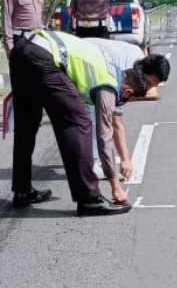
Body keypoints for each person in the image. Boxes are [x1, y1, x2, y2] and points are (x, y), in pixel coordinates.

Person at [9, 28, 166, 215]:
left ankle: (22, 190)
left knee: (27, 125)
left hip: (23, 48)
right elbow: (104, 137)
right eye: (127, 100)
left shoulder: (115, 68)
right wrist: (115, 185)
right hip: (43, 55)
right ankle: (89, 199)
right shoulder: (108, 85)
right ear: (128, 92)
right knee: (79, 123)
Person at [84, 38, 171, 181]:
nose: (146, 89)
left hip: (86, 57)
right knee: (94, 114)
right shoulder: (126, 72)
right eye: (148, 84)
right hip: (81, 62)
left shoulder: (137, 60)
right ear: (142, 70)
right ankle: (94, 165)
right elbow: (115, 121)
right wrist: (125, 160)